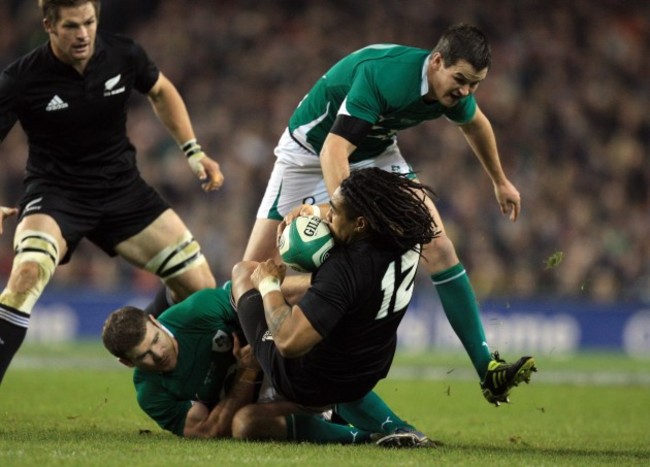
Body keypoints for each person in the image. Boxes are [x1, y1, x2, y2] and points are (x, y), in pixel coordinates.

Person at [242, 23, 534, 405]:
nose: (465, 91)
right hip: (309, 153)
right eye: (461, 80)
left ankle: (487, 370)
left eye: (475, 85)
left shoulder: (454, 90)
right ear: (437, 61)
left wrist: (500, 180)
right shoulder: (386, 75)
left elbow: (476, 125)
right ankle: (238, 376)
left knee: (440, 247)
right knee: (251, 271)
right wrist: (340, 212)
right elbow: (333, 151)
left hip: (376, 154)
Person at [0, 0, 223, 385]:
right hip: (55, 195)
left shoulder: (123, 53)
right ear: (49, 25)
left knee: (201, 289)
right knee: (27, 273)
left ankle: (165, 363)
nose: (83, 33)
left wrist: (193, 151)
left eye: (89, 22)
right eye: (71, 26)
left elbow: (161, 90)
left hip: (122, 190)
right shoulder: (22, 78)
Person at [232, 169, 472, 445]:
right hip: (369, 369)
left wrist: (269, 286)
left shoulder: (343, 269)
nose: (327, 215)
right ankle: (383, 433)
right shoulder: (405, 235)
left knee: (244, 273)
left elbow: (288, 341)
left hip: (309, 380)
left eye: (333, 211)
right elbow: (349, 226)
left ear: (360, 224)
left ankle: (360, 435)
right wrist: (312, 209)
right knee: (247, 423)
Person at [102, 282, 432, 447]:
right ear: (125, 362)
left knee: (306, 351)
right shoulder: (150, 392)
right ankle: (363, 438)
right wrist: (248, 369)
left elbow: (255, 295)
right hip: (255, 394)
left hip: (276, 363)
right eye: (144, 356)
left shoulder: (197, 312)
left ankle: (400, 429)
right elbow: (207, 432)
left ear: (155, 321)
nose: (157, 353)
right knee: (243, 425)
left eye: (155, 340)